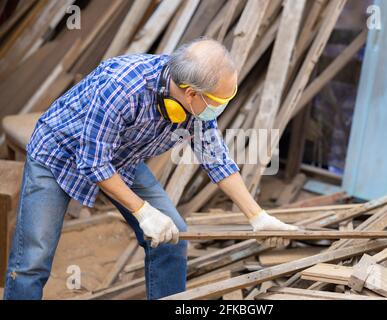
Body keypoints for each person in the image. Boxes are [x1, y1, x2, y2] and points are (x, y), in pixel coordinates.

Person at [3, 38, 298, 300]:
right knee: (34, 257)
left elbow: (216, 159)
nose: (221, 108)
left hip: (121, 157)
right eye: (220, 101)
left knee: (172, 235)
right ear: (192, 93)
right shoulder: (121, 88)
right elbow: (93, 162)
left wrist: (257, 216)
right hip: (60, 151)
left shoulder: (195, 107)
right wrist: (143, 212)